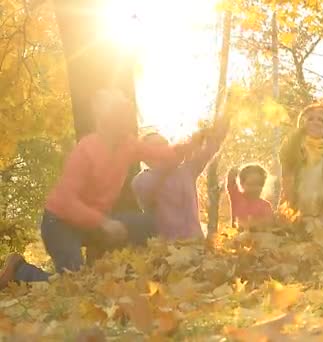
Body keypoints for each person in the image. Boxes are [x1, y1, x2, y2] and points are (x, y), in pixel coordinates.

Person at [0, 88, 198, 289]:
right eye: (121, 114)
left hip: (94, 222)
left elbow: (163, 154)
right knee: (74, 284)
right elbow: (68, 202)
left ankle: (144, 273)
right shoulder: (86, 151)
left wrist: (196, 142)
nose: (127, 120)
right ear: (105, 119)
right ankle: (21, 271)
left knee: (148, 223)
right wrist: (103, 222)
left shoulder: (127, 145)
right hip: (59, 223)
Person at [131, 112, 231, 241]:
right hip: (166, 249)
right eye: (157, 146)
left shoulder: (187, 171)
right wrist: (186, 149)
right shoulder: (141, 180)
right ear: (146, 155)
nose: (164, 148)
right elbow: (149, 192)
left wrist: (222, 122)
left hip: (196, 242)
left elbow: (211, 148)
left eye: (165, 143)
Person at [279, 104, 323, 217]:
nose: (316, 122)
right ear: (301, 125)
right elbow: (286, 162)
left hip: (322, 209)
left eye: (321, 120)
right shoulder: (295, 147)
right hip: (296, 206)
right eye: (310, 119)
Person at [227, 164, 274, 229]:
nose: (254, 188)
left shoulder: (265, 205)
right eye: (250, 184)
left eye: (259, 184)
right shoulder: (237, 199)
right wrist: (236, 167)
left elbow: (269, 223)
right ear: (242, 184)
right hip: (238, 236)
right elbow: (231, 181)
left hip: (259, 236)